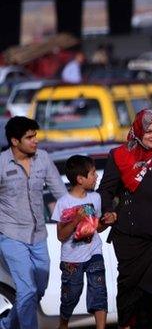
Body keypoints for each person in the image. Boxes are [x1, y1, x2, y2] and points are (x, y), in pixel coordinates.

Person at [98, 109, 152, 328]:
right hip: (131, 237)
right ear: (138, 131)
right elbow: (106, 191)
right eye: (149, 131)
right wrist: (108, 210)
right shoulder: (119, 156)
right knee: (132, 290)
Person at [0, 116, 67, 329]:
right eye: (29, 137)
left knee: (38, 289)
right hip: (11, 235)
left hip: (39, 235)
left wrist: (80, 216)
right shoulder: (1, 164)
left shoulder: (44, 158)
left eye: (35, 136)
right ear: (14, 141)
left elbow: (61, 194)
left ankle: (7, 324)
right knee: (27, 289)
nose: (35, 141)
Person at [51, 155, 117, 329]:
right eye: (93, 174)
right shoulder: (63, 203)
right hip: (72, 259)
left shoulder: (95, 198)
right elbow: (61, 236)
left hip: (94, 252)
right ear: (80, 179)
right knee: (71, 294)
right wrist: (75, 220)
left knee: (99, 290)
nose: (97, 177)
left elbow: (97, 227)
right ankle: (63, 323)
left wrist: (107, 221)